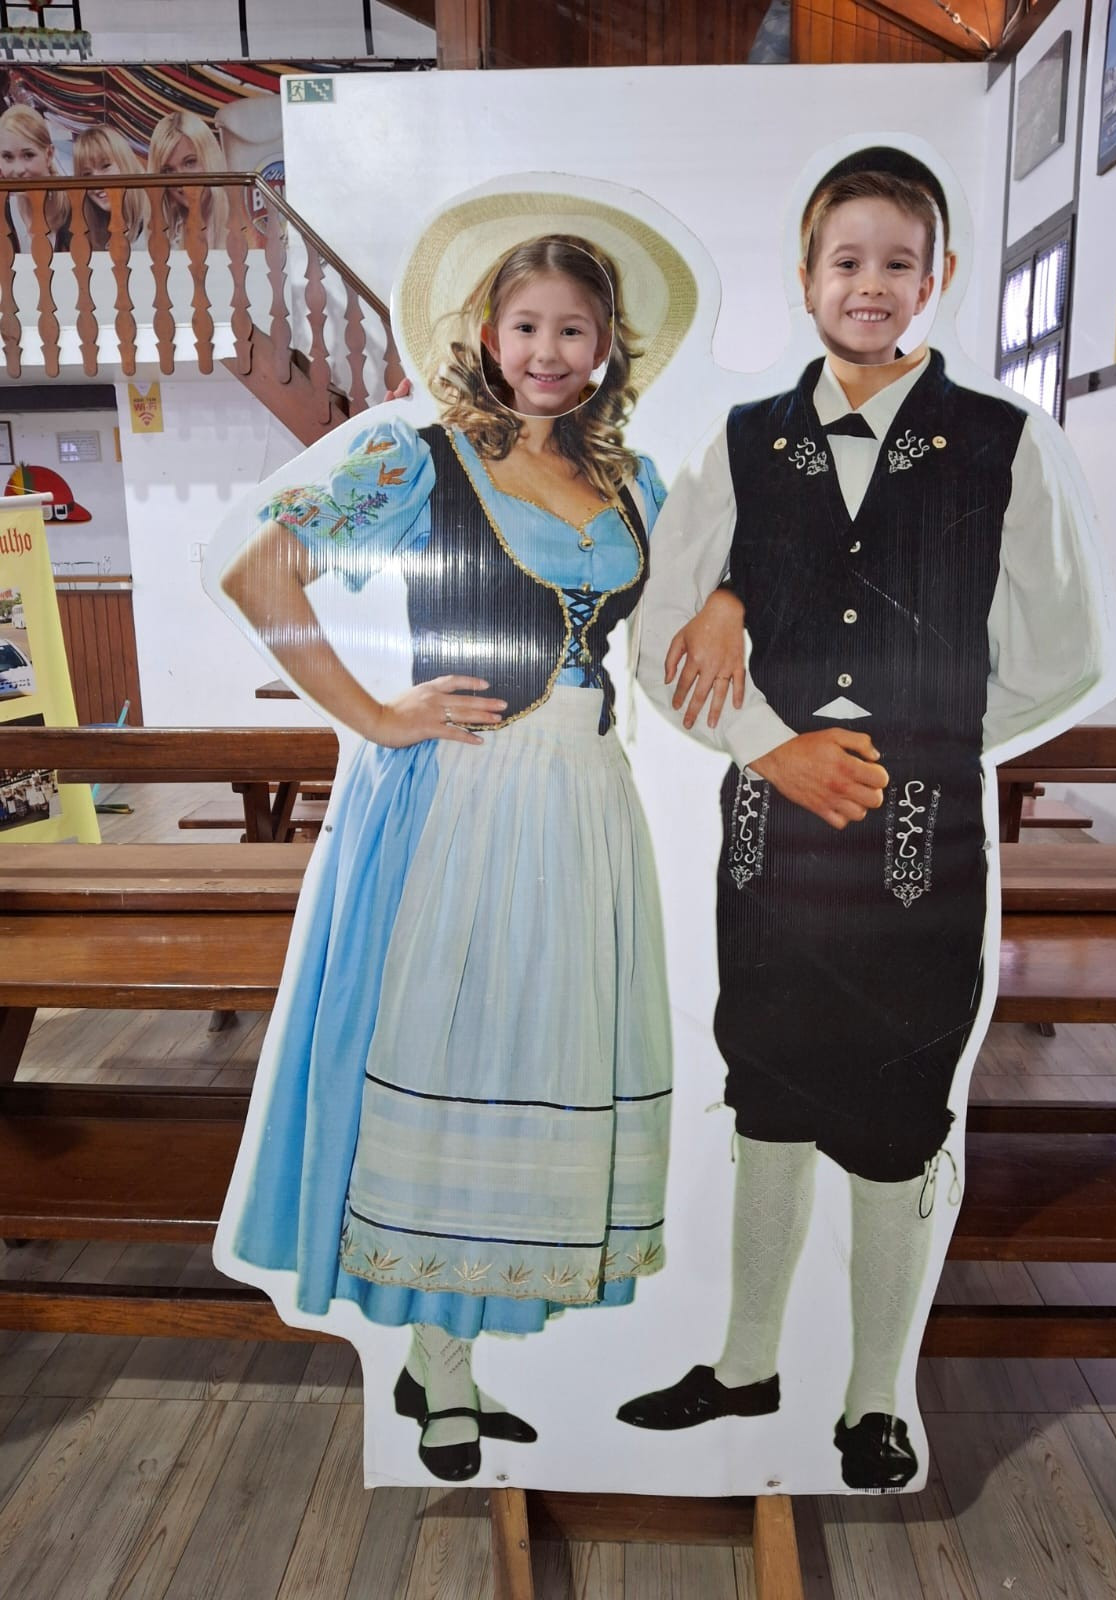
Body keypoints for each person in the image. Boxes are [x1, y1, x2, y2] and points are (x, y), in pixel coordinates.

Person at [619, 147, 1116, 1491]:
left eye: (901, 261)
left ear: (936, 278)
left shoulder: (1005, 442)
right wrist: (773, 750)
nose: (872, 284)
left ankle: (875, 1397)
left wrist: (924, 749)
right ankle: (744, 1363)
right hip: (770, 838)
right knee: (769, 1093)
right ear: (806, 276)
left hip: (920, 837)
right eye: (848, 260)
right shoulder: (742, 443)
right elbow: (660, 635)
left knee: (900, 1109)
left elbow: (1065, 650)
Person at [215, 212, 699, 1486]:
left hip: (585, 805)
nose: (547, 351)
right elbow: (263, 575)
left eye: (574, 330)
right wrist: (375, 715)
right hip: (461, 805)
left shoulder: (638, 483)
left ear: (607, 346)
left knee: (540, 1054)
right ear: (488, 334)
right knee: (452, 1050)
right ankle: (441, 1365)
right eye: (526, 326)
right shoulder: (417, 459)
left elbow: (688, 620)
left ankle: (459, 1354)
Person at [147, 110, 228, 249]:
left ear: (210, 158)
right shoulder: (164, 235)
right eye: (168, 171)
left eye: (190, 162)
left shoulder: (243, 221)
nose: (182, 181)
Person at [0, 105, 71, 253]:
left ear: (49, 154)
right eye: (8, 157)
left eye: (28, 155)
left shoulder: (77, 209)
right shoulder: (4, 214)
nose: (18, 169)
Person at [72, 125, 149, 251]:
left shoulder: (157, 218)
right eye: (87, 174)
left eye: (105, 166)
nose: (97, 182)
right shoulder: (91, 232)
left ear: (125, 163)